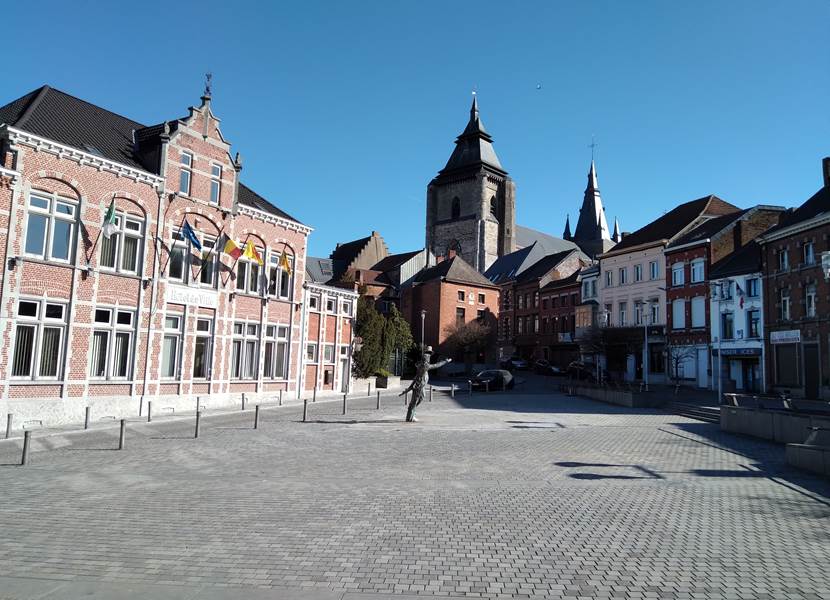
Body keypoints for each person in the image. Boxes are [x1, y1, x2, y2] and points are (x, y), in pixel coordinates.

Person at [400, 347, 451, 422]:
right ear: (425, 359)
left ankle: (412, 413)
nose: (429, 358)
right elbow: (436, 365)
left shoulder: (422, 364)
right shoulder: (425, 366)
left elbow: (417, 371)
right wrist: (445, 361)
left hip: (421, 385)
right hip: (419, 385)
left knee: (421, 397)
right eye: (428, 357)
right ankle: (410, 416)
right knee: (415, 400)